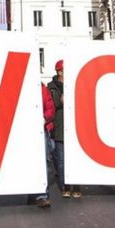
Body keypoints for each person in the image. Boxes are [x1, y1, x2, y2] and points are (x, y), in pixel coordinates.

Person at [48, 60, 80, 198]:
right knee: (61, 161)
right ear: (59, 71)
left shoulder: (75, 84)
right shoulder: (51, 87)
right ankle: (65, 186)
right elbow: (49, 105)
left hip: (75, 128)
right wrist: (59, 101)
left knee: (77, 159)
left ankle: (77, 186)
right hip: (60, 128)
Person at [28, 82, 55, 208]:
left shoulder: (43, 88)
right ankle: (31, 192)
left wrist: (44, 118)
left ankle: (42, 195)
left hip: (41, 129)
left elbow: (50, 108)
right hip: (25, 129)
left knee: (44, 161)